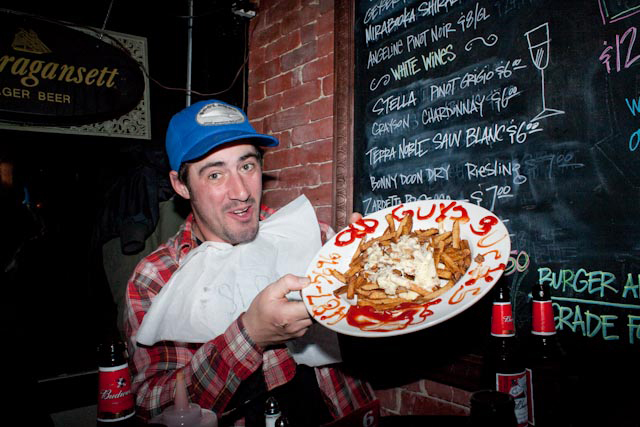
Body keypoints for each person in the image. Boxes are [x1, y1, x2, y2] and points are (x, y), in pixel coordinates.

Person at [124, 100, 375, 425]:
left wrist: (372, 272)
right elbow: (150, 406)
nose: (241, 192)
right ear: (181, 185)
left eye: (247, 166)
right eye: (215, 174)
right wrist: (250, 335)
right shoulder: (156, 278)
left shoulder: (309, 235)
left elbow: (368, 334)